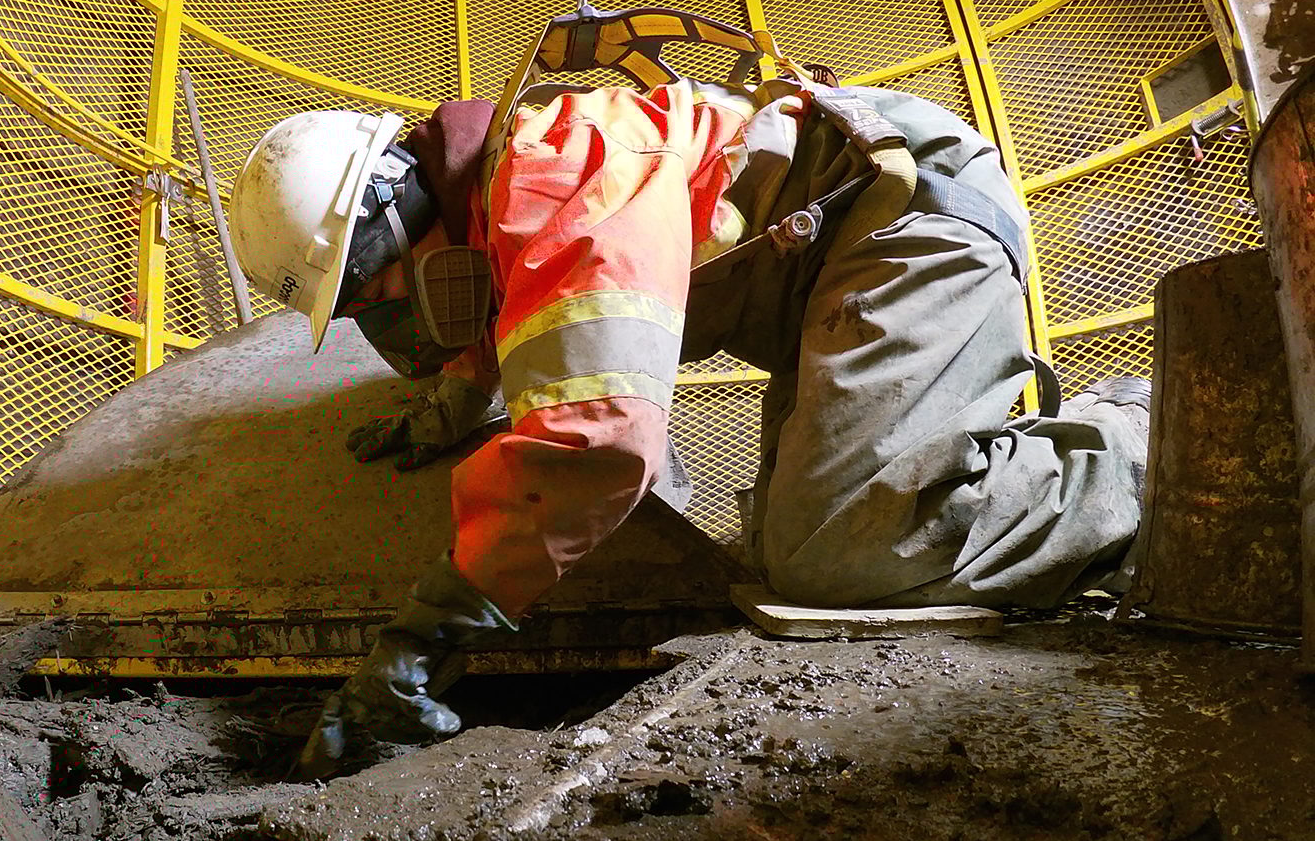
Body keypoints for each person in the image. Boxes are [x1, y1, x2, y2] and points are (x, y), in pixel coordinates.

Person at [227, 71, 1150, 777]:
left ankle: (1143, 448)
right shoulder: (487, 217)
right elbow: (514, 324)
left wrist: (426, 640)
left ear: (409, 209)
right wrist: (447, 408)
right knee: (777, 553)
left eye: (380, 293)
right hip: (824, 285)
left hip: (904, 217)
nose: (390, 324)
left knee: (832, 552)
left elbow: (602, 429)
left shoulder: (557, 169)